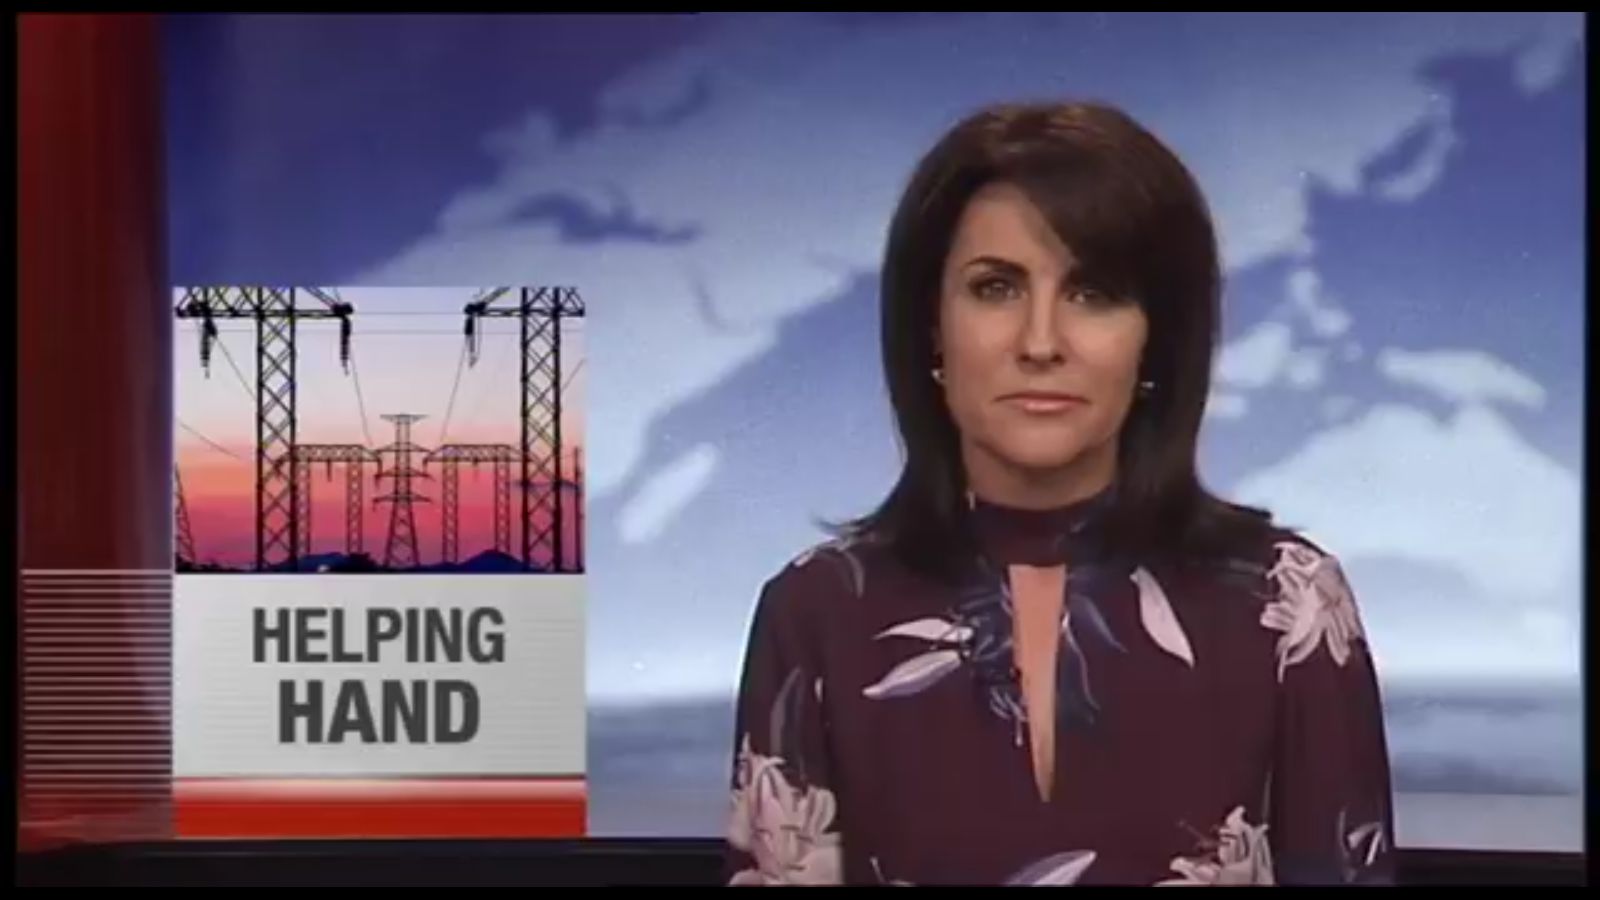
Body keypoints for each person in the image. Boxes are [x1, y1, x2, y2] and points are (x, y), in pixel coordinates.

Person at [722, 100, 1395, 886]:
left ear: (1155, 339)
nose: (1041, 343)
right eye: (995, 288)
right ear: (932, 327)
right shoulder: (816, 611)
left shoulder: (1289, 608)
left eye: (1093, 293)